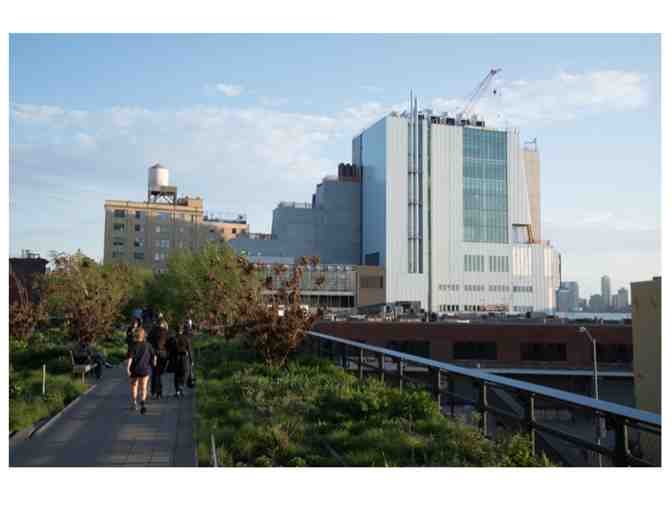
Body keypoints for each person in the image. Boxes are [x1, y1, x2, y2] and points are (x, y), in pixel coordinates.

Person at [126, 328, 156, 414]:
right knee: (144, 387)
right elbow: (153, 355)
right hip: (144, 369)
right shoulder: (148, 345)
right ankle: (143, 401)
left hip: (134, 369)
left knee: (134, 386)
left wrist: (128, 368)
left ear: (136, 335)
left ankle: (134, 403)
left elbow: (130, 358)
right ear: (143, 336)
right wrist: (154, 362)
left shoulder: (132, 345)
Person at [148, 315, 170, 399]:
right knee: (159, 373)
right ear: (163, 324)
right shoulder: (166, 332)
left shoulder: (152, 331)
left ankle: (155, 390)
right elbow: (170, 343)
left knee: (155, 373)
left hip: (154, 354)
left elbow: (148, 342)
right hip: (163, 355)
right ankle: (158, 391)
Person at [168, 326, 193, 398]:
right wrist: (191, 360)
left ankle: (177, 391)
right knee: (185, 373)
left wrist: (169, 358)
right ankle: (181, 386)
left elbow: (169, 348)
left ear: (176, 331)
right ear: (182, 331)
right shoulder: (186, 338)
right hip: (184, 357)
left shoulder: (172, 339)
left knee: (177, 374)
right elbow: (189, 350)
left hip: (175, 358)